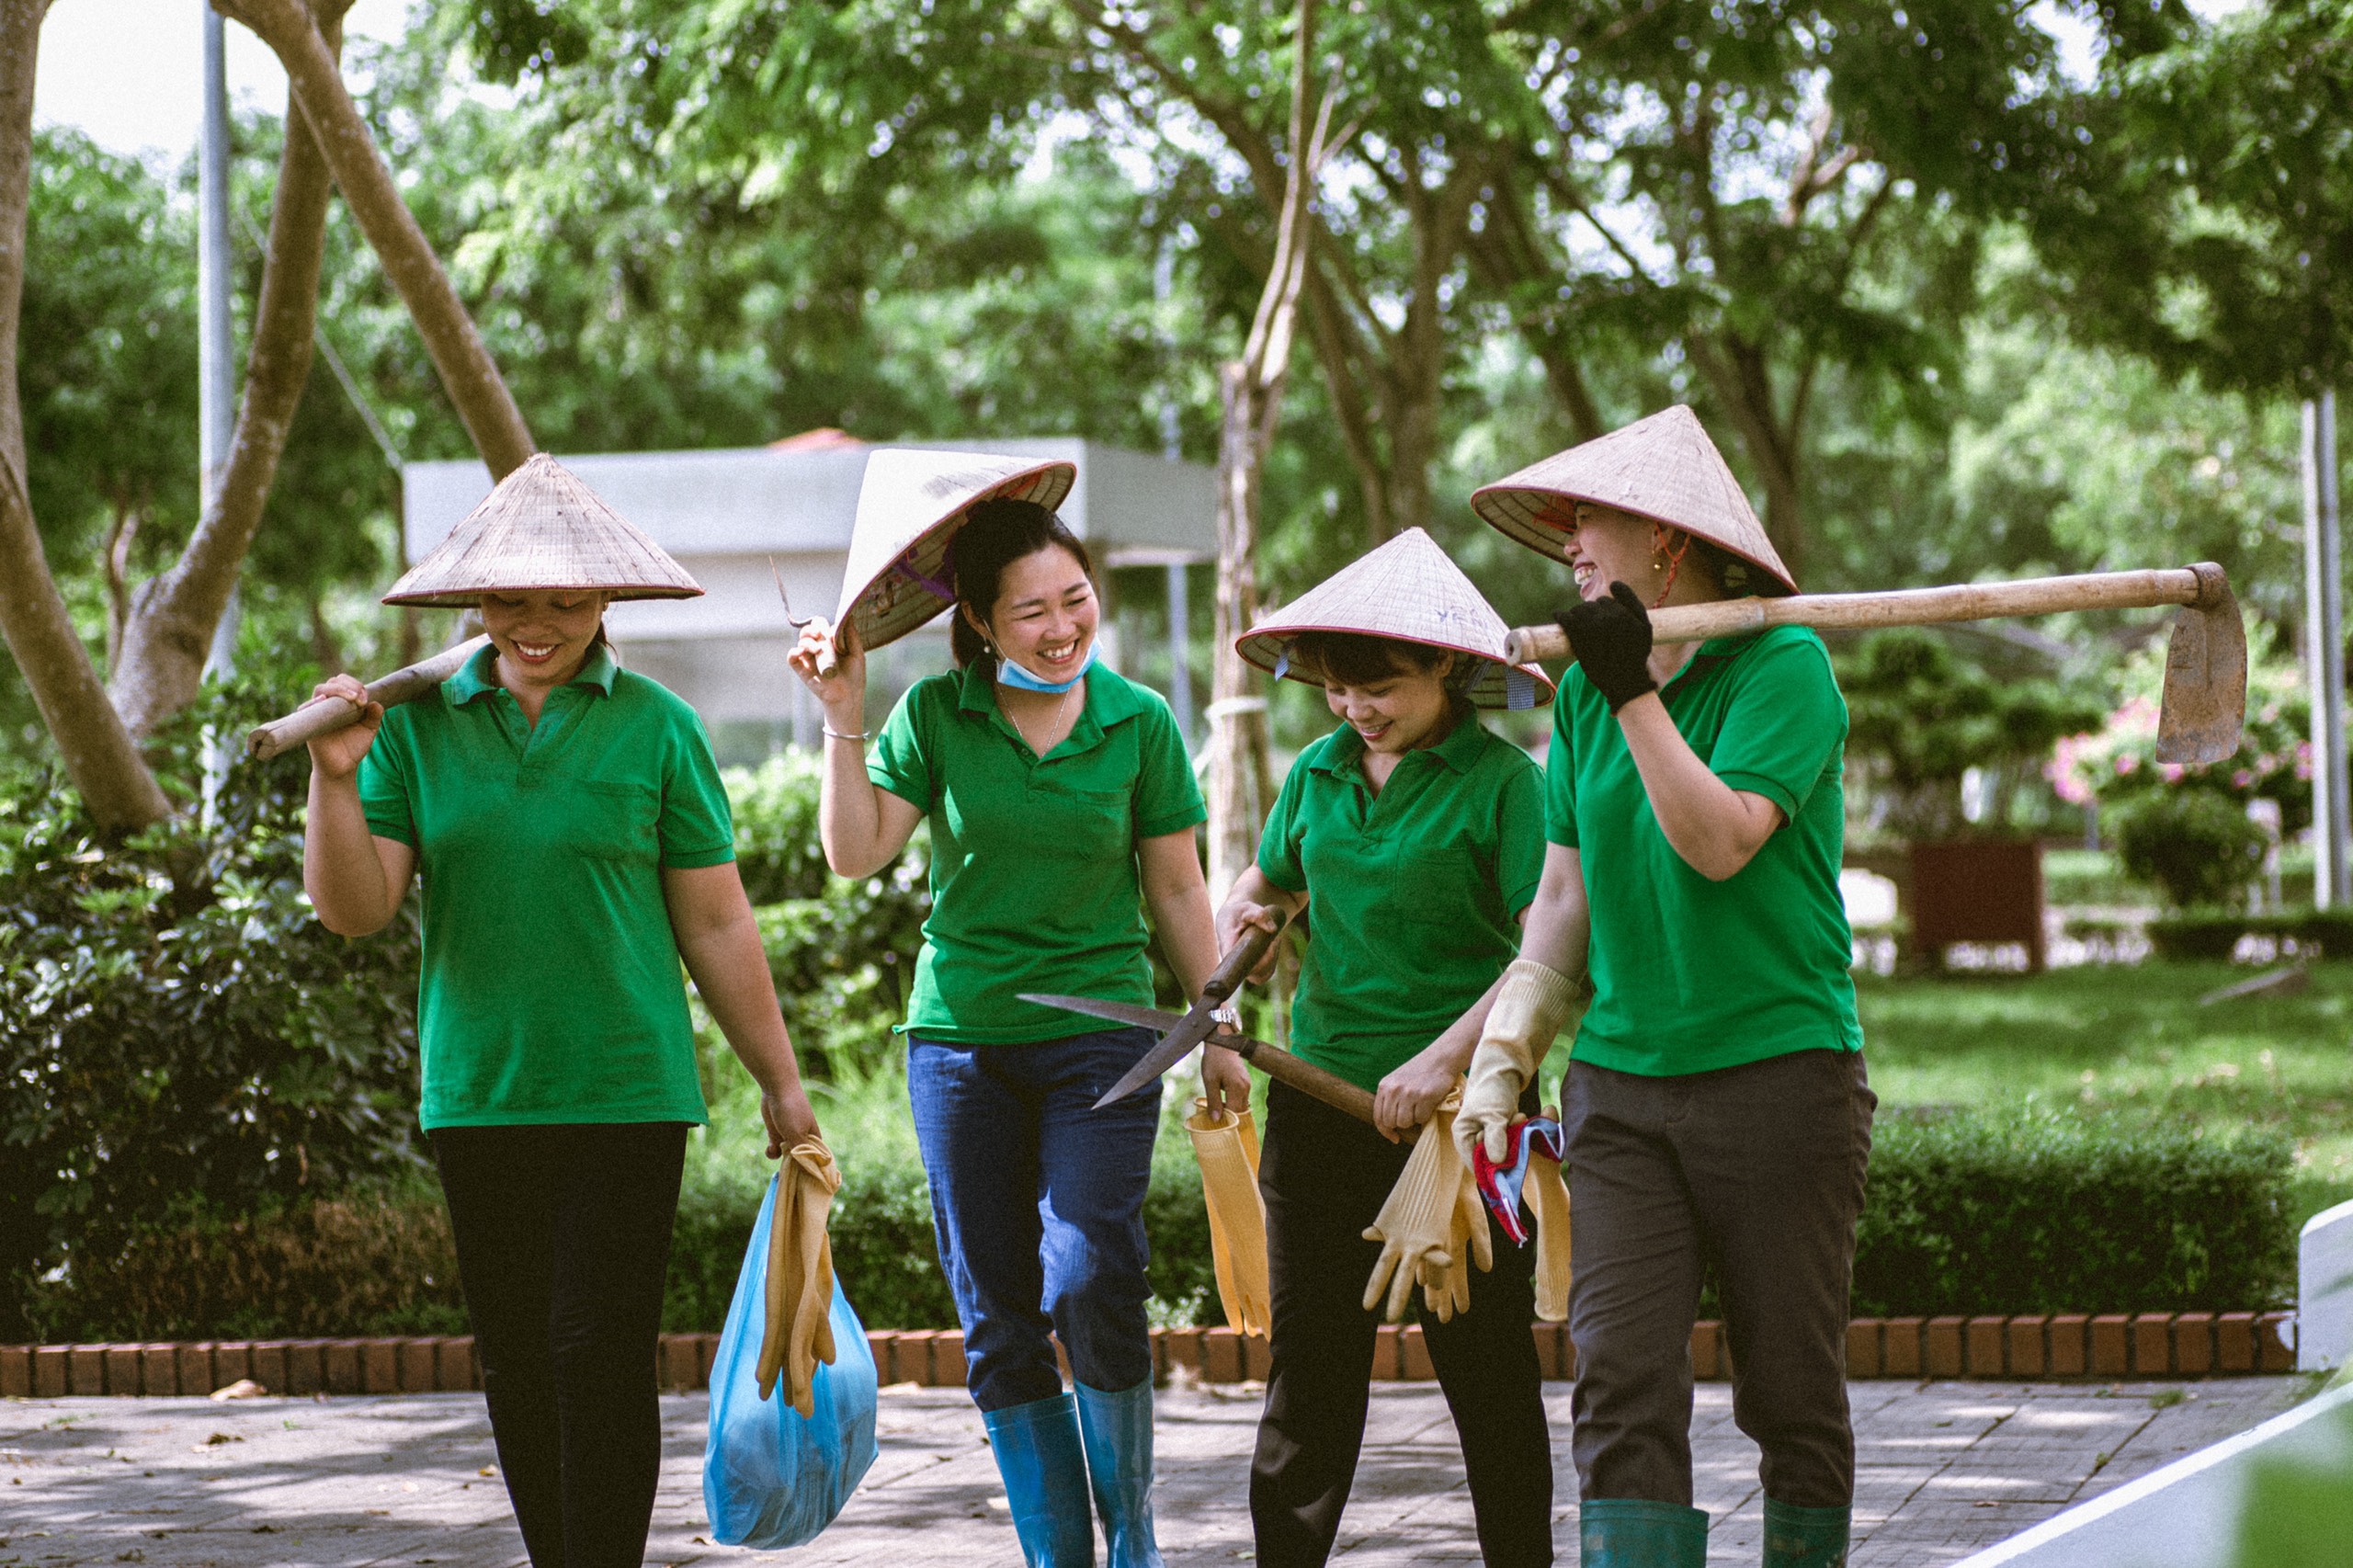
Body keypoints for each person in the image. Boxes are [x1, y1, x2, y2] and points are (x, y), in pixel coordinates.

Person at [301, 455, 820, 1568]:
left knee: (597, 1347)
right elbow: (356, 908)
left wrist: (781, 1082)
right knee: (517, 1359)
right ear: (472, 603)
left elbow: (718, 923)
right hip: (480, 1089)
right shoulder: (417, 727)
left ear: (605, 604)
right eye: (514, 599)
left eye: (568, 600)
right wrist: (335, 777)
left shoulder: (660, 728)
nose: (539, 623)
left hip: (626, 1088)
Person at [788, 449, 1247, 1568]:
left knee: (1094, 1272)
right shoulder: (935, 714)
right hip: (960, 1044)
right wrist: (843, 712)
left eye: (1076, 599)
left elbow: (1178, 885)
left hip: (1105, 1039)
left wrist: (1216, 1025)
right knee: (996, 1315)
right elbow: (855, 853)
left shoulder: (1135, 721)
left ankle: (1129, 1528)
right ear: (981, 625)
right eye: (1031, 610)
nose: (1061, 626)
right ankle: (1060, 1555)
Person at [1453, 406, 1873, 1568]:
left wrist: (1633, 687)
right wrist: (1505, 1050)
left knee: (1788, 1388)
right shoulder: (1584, 694)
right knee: (1620, 1378)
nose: (1570, 541)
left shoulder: (1782, 666)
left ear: (1670, 543)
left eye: (1592, 518)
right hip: (1624, 1091)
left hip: (1780, 1076)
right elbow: (1563, 899)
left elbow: (1720, 842)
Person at [1215, 528, 1560, 1568]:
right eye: (1336, 688)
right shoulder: (1316, 775)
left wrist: (1449, 1062)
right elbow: (1270, 882)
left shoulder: (1504, 782)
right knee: (1310, 1372)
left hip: (1467, 1120)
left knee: (1486, 1368)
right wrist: (1248, 925)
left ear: (1447, 669)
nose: (1357, 708)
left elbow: (1548, 948)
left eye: (1384, 689)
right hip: (1317, 1101)